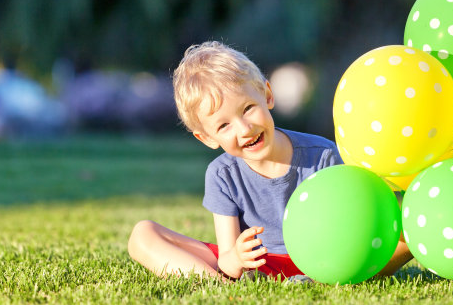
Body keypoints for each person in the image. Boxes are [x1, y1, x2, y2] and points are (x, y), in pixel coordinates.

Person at [127, 41, 413, 281]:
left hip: (327, 259)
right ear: (207, 138)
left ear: (268, 95)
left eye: (248, 108)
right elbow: (228, 260)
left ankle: (325, 279)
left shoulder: (323, 156)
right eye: (224, 126)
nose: (244, 129)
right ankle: (217, 289)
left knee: (408, 233)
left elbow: (357, 220)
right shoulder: (222, 175)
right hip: (260, 264)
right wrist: (236, 259)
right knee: (143, 234)